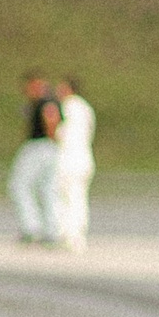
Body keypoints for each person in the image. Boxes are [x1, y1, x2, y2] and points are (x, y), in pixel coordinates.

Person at [10, 77, 59, 244]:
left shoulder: (46, 101)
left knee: (20, 185)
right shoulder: (44, 101)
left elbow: (51, 119)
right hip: (49, 148)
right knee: (47, 188)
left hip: (40, 146)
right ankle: (51, 230)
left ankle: (31, 227)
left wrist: (50, 138)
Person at [51, 78, 96, 248]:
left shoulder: (66, 107)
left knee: (64, 196)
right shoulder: (85, 108)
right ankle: (77, 233)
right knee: (79, 197)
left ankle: (66, 234)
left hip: (68, 158)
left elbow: (60, 133)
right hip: (84, 157)